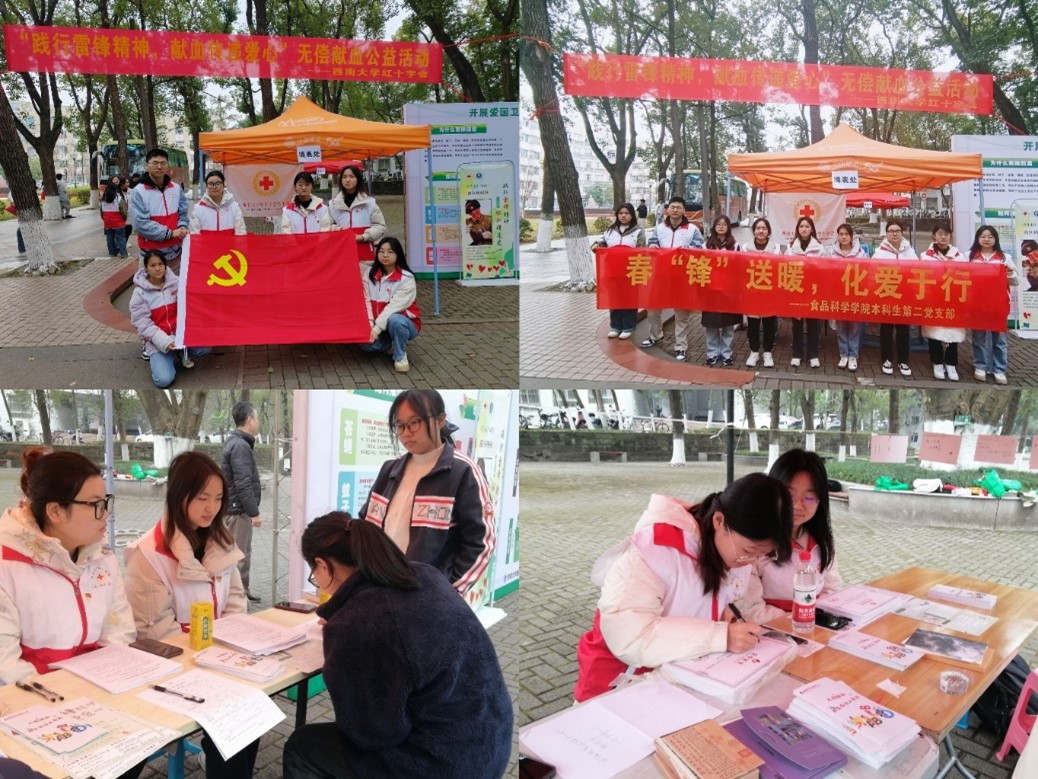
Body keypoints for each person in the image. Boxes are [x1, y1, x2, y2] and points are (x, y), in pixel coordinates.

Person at [282, 513, 513, 778]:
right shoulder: (426, 574)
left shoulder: (357, 622)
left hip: (447, 764)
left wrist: (343, 632)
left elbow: (372, 735)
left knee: (303, 745)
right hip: (492, 738)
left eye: (314, 574)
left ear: (322, 565)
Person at [573, 473, 793, 701]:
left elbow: (710, 599)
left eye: (762, 554)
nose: (751, 562)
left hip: (676, 681)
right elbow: (631, 636)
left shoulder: (729, 551)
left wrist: (726, 615)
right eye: (749, 551)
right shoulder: (654, 550)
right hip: (616, 686)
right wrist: (721, 636)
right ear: (719, 521)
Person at [123, 451, 256, 779]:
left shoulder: (220, 539)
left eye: (219, 498)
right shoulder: (148, 554)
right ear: (179, 496)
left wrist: (230, 655)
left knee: (250, 715)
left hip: (220, 661)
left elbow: (236, 601)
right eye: (202, 498)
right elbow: (156, 634)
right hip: (171, 668)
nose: (212, 507)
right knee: (230, 717)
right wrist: (213, 664)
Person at [0, 448, 136, 684]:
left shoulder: (103, 558)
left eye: (106, 502)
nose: (106, 514)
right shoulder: (7, 566)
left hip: (100, 687)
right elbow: (6, 666)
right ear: (55, 511)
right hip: (36, 696)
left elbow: (119, 634)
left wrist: (108, 681)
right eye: (95, 504)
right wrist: (66, 693)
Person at [359, 390, 495, 599]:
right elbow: (365, 525)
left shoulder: (462, 471)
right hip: (379, 590)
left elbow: (481, 542)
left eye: (414, 422)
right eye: (400, 425)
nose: (406, 432)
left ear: (440, 420)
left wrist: (447, 592)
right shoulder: (390, 469)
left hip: (428, 598)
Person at [733, 449, 842, 624]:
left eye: (809, 498)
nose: (798, 506)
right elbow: (749, 608)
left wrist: (816, 619)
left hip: (814, 628)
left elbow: (832, 589)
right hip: (768, 631)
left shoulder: (822, 542)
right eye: (789, 496)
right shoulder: (752, 543)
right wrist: (797, 621)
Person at [129, 250, 210, 387]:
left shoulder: (177, 282)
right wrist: (165, 342)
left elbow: (190, 305)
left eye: (160, 264)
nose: (157, 268)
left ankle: (181, 351)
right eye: (153, 265)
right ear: (146, 268)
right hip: (158, 342)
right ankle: (166, 356)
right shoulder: (139, 293)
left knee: (205, 347)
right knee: (163, 380)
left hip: (180, 335)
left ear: (165, 265)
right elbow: (142, 324)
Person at [646, 196, 705, 361]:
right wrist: (652, 246)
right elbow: (652, 242)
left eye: (679, 207)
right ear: (667, 210)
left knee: (681, 314)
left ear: (684, 210)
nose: (675, 210)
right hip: (661, 276)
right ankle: (655, 335)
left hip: (682, 277)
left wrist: (689, 249)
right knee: (652, 310)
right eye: (672, 207)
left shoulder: (692, 229)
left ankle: (680, 346)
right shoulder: (659, 228)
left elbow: (700, 247)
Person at [359, 237, 421, 374]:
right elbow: (366, 301)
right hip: (380, 324)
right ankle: (387, 343)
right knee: (366, 345)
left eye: (390, 252)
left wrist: (376, 329)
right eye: (381, 251)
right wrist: (370, 325)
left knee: (395, 320)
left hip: (405, 323)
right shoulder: (369, 274)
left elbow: (393, 308)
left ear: (398, 254)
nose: (385, 255)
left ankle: (400, 356)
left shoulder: (407, 278)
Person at [221, 401, 263, 604]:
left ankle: (242, 592)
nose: (258, 422)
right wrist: (254, 513)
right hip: (238, 511)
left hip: (237, 509)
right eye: (257, 418)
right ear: (249, 420)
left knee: (242, 553)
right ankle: (235, 599)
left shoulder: (238, 443)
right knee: (238, 556)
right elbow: (243, 483)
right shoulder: (239, 446)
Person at [968, 225, 1018, 385]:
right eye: (983, 236)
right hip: (977, 304)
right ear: (977, 238)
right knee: (978, 337)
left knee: (999, 339)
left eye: (990, 236)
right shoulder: (969, 256)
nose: (986, 239)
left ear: (995, 239)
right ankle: (980, 366)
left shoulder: (1004, 258)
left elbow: (1015, 281)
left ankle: (999, 369)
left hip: (998, 305)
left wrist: (1010, 272)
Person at [919, 223, 967, 381]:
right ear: (934, 236)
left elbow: (965, 275)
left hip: (953, 299)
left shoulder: (959, 256)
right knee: (934, 331)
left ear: (950, 236)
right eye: (940, 234)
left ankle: (951, 363)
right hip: (934, 298)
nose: (943, 237)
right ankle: (937, 362)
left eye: (946, 234)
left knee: (953, 332)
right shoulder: (925, 256)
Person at [873, 218, 918, 377]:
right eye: (891, 231)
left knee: (903, 329)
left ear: (902, 233)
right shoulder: (879, 252)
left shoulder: (909, 251)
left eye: (897, 231)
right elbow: (872, 271)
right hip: (887, 294)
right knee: (886, 328)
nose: (894, 234)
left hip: (905, 295)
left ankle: (903, 360)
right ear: (886, 233)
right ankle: (886, 359)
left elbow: (917, 270)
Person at [593, 202, 643, 339]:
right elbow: (602, 244)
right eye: (621, 213)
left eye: (627, 213)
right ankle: (615, 326)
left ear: (632, 215)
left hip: (631, 271)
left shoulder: (638, 232)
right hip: (613, 271)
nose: (623, 216)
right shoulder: (609, 231)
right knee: (614, 298)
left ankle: (628, 326)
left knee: (629, 298)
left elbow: (642, 251)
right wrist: (596, 246)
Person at [128, 148, 189, 261]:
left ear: (167, 165)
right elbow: (140, 223)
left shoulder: (176, 188)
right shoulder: (138, 192)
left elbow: (183, 213)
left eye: (163, 163)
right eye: (155, 163)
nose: (159, 167)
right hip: (151, 255)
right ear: (147, 165)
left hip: (176, 251)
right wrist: (169, 234)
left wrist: (182, 227)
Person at [702, 215, 742, 366]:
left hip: (728, 291)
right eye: (718, 224)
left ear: (729, 227)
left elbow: (739, 267)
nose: (721, 227)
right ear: (714, 227)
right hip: (711, 291)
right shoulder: (706, 245)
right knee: (711, 324)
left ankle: (726, 353)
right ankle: (712, 353)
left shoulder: (735, 245)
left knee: (728, 324)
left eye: (724, 225)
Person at [786, 216, 825, 368]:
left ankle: (813, 355)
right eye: (801, 226)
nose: (804, 229)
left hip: (813, 291)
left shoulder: (819, 248)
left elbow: (824, 269)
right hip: (796, 289)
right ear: (797, 229)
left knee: (813, 324)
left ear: (812, 229)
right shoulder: (791, 247)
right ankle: (797, 354)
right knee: (797, 324)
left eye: (807, 226)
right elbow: (784, 266)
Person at [743, 217, 782, 368]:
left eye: (764, 228)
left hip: (769, 292)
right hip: (752, 291)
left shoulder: (776, 248)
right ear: (754, 231)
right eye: (758, 228)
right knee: (752, 324)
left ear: (768, 232)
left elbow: (780, 269)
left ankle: (767, 353)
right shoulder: (745, 247)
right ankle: (754, 352)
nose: (761, 231)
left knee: (769, 324)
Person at [828, 223, 867, 372]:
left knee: (854, 326)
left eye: (846, 234)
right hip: (838, 294)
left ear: (851, 237)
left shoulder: (861, 254)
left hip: (855, 295)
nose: (844, 237)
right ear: (838, 236)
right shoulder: (831, 253)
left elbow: (867, 272)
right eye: (841, 234)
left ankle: (853, 355)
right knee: (841, 325)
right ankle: (843, 354)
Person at [328, 165, 386, 264]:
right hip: (341, 252)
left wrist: (364, 237)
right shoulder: (333, 204)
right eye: (344, 177)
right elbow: (327, 226)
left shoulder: (369, 202)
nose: (347, 180)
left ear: (358, 179)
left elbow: (380, 226)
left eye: (351, 176)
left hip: (364, 252)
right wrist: (341, 231)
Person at [189, 170, 247, 235]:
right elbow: (194, 234)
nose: (214, 187)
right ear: (206, 186)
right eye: (210, 184)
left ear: (223, 184)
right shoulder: (198, 208)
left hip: (229, 242)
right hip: (205, 242)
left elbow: (241, 232)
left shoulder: (234, 207)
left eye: (218, 183)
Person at [100, 174, 129, 258]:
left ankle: (112, 253)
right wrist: (124, 218)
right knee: (121, 237)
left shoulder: (103, 200)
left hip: (107, 222)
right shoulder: (118, 198)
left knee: (109, 238)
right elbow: (123, 211)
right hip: (118, 221)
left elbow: (101, 212)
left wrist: (104, 219)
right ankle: (123, 253)